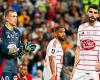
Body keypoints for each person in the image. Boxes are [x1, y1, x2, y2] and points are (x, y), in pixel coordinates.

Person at [0, 9, 35, 80]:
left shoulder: (17, 32)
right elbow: (5, 50)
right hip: (4, 67)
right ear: (6, 18)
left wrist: (25, 50)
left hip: (14, 68)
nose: (16, 18)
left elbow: (19, 54)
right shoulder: (1, 31)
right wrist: (21, 49)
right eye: (13, 16)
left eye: (16, 16)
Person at [71, 5, 100, 80]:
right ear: (87, 13)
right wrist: (74, 67)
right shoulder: (81, 27)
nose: (92, 15)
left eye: (95, 13)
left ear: (98, 15)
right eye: (90, 12)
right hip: (80, 68)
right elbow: (78, 48)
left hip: (95, 70)